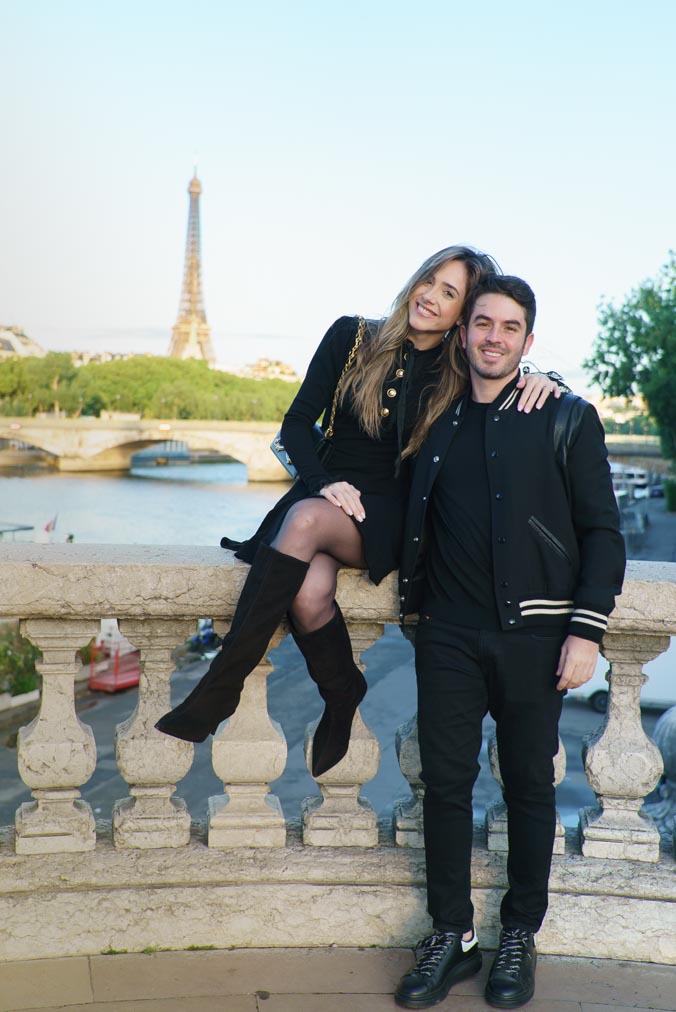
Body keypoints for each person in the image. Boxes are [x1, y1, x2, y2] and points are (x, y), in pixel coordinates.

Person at [155, 249, 558, 778]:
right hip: (328, 491)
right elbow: (297, 423)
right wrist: (325, 483)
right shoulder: (352, 337)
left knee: (303, 521)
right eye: (429, 281)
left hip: (390, 513)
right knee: (308, 590)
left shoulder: (458, 371)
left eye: (449, 293)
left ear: (462, 315)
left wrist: (549, 381)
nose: (430, 297)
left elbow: (505, 372)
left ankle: (221, 685)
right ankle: (343, 692)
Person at [394, 275, 626, 1009]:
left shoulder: (565, 416)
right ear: (464, 333)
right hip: (449, 635)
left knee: (530, 788)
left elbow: (604, 535)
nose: (493, 336)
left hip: (539, 636)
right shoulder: (435, 416)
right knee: (446, 786)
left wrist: (586, 630)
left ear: (528, 340)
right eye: (482, 323)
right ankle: (451, 935)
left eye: (510, 327)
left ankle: (520, 933)